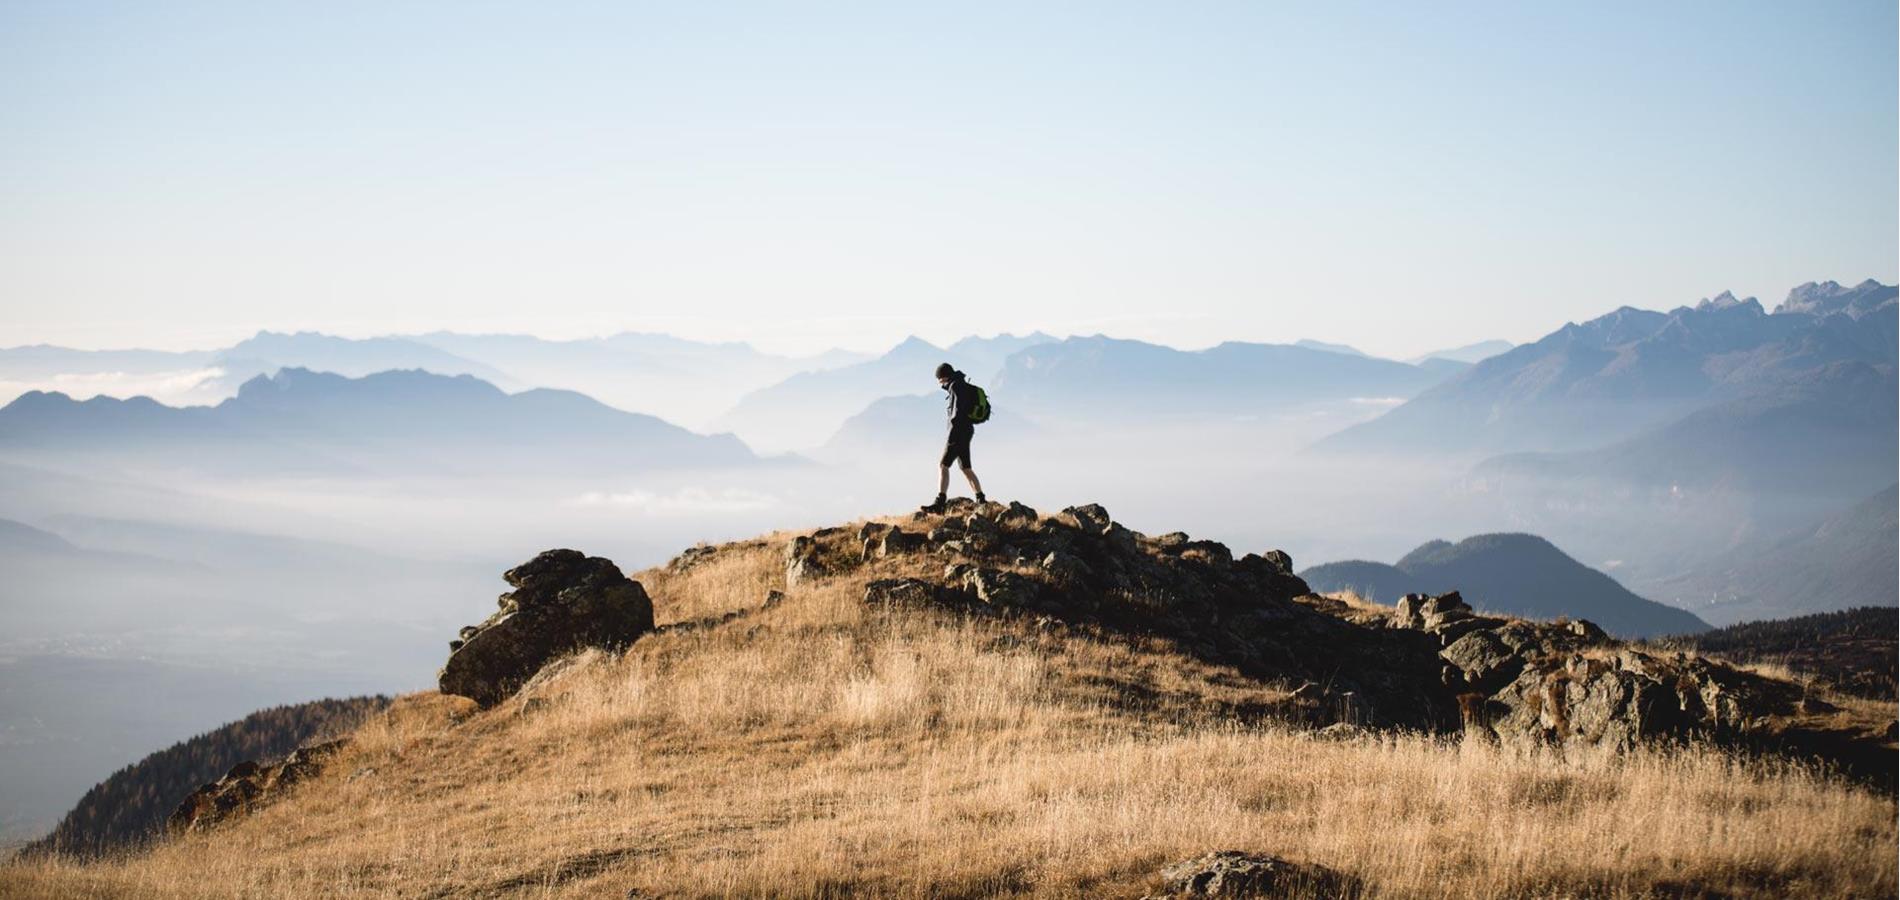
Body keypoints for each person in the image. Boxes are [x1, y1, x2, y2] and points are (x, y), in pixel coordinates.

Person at [923, 362, 984, 513]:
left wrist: (952, 435)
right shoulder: (960, 384)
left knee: (943, 465)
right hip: (966, 430)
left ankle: (940, 503)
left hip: (958, 432)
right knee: (966, 468)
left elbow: (957, 413)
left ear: (944, 377)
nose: (939, 383)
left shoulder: (955, 387)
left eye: (939, 379)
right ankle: (981, 499)